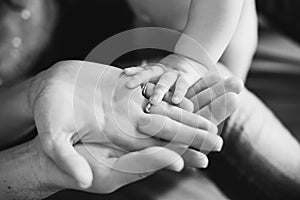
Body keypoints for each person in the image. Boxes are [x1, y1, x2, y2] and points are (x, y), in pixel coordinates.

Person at [0, 60, 243, 199]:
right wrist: (34, 167)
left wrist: (36, 88)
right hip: (78, 130)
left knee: (218, 82)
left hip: (103, 94)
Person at [125, 0, 257, 106]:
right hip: (154, 22)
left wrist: (188, 61)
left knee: (223, 86)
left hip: (217, 27)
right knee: (149, 75)